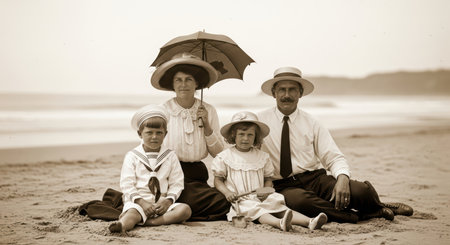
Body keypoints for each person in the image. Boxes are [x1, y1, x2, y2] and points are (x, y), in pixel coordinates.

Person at [257, 67, 414, 223]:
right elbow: (240, 148)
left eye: (292, 90)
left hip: (315, 179)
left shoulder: (312, 123)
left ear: (300, 93)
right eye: (282, 90)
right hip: (283, 186)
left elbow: (332, 156)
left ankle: (378, 206)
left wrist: (342, 177)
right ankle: (360, 216)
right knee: (301, 202)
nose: (286, 95)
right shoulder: (259, 123)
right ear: (273, 93)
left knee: (360, 191)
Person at [212, 111, 328, 231]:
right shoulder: (225, 157)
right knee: (258, 210)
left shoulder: (262, 156)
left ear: (256, 137)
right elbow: (218, 180)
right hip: (240, 199)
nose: (245, 139)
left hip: (260, 196)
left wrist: (266, 191)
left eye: (250, 135)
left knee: (278, 206)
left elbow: (268, 178)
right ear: (233, 136)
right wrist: (227, 193)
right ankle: (279, 223)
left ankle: (309, 221)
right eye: (241, 134)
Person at [150, 52, 230, 221]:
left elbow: (219, 153)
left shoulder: (208, 110)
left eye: (188, 79)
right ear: (172, 83)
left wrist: (206, 125)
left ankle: (177, 211)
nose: (183, 84)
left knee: (223, 202)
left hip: (197, 175)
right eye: (178, 80)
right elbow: (151, 146)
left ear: (197, 83)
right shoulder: (162, 110)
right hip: (169, 172)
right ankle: (175, 209)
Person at [109, 105, 191, 233]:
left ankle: (150, 223)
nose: (154, 137)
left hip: (161, 204)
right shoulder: (132, 156)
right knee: (132, 214)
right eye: (149, 132)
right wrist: (141, 202)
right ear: (139, 134)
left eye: (159, 133)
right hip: (139, 202)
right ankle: (122, 226)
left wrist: (168, 201)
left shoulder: (170, 156)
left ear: (165, 134)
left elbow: (177, 183)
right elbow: (126, 184)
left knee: (185, 210)